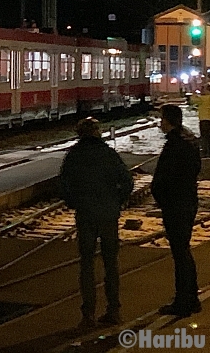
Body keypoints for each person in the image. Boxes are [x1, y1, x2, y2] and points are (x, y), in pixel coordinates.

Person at [60, 117, 133, 329]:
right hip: (109, 214)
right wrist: (117, 201)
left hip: (86, 215)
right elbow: (127, 181)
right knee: (111, 263)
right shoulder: (109, 154)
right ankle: (113, 310)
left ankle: (88, 313)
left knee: (87, 264)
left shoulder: (74, 155)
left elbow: (63, 184)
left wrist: (74, 202)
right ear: (98, 133)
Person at [152, 104, 202, 317]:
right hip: (187, 201)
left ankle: (183, 301)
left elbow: (167, 176)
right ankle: (191, 297)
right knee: (184, 252)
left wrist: (162, 197)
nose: (159, 122)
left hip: (176, 204)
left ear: (168, 120)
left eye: (162, 118)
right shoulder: (189, 141)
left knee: (180, 253)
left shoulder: (175, 145)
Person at [193, 83, 210, 158]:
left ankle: (205, 153)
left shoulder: (202, 99)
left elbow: (192, 101)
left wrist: (194, 92)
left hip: (204, 120)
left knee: (204, 137)